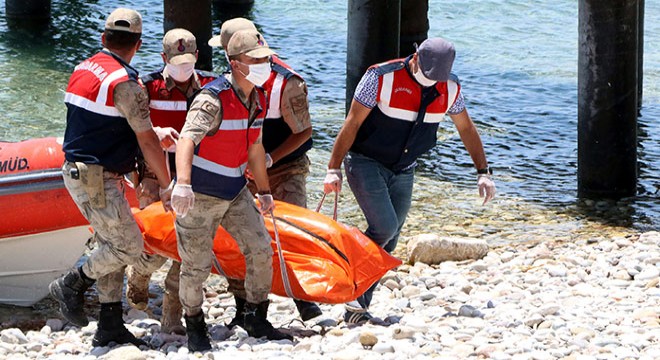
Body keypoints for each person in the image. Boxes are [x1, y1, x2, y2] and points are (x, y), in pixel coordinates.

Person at [323, 37, 497, 325]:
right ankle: (345, 269)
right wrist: (333, 168)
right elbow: (352, 123)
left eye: (436, 78)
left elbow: (466, 128)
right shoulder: (379, 77)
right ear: (415, 56)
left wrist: (483, 172)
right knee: (385, 227)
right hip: (366, 161)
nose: (431, 82)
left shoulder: (450, 88)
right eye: (427, 76)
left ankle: (356, 307)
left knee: (390, 240)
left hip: (405, 168)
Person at [49, 8, 174, 347]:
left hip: (83, 169)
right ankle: (72, 283)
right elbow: (146, 142)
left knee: (110, 245)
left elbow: (98, 123)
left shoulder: (83, 68)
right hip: (95, 176)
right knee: (127, 246)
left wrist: (152, 131)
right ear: (139, 44)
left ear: (104, 39)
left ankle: (109, 323)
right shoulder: (125, 84)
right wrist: (168, 185)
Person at [171, 29, 293, 351]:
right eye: (257, 60)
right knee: (195, 266)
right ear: (236, 64)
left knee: (261, 248)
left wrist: (265, 191)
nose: (265, 65)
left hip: (236, 192)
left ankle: (255, 316)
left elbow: (255, 146)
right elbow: (186, 139)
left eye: (266, 59)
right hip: (200, 195)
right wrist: (183, 185)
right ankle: (195, 326)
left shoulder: (259, 98)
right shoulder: (213, 99)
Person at [208, 17, 322, 325]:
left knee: (291, 234)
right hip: (243, 172)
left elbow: (305, 132)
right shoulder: (227, 83)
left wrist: (270, 159)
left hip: (286, 168)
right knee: (239, 239)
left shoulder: (288, 84)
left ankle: (303, 301)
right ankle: (243, 307)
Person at [125, 28, 218, 335]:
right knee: (155, 242)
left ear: (197, 58)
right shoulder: (147, 86)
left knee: (188, 246)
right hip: (154, 172)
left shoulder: (209, 86)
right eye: (177, 61)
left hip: (193, 175)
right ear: (164, 58)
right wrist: (137, 174)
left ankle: (172, 315)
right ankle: (140, 272)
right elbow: (131, 129)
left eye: (189, 60)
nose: (183, 67)